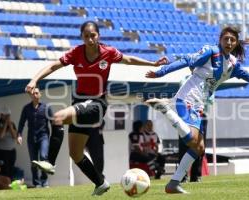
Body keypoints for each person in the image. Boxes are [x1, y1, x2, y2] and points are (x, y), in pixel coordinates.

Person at [26, 21, 168, 196]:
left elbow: (128, 59)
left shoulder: (108, 52)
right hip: (79, 102)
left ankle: (49, 162)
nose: (90, 39)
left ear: (98, 35)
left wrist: (152, 64)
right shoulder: (76, 52)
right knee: (76, 153)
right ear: (82, 37)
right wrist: (34, 80)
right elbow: (53, 65)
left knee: (58, 118)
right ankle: (100, 183)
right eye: (86, 36)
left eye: (93, 35)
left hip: (96, 104)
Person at [145, 26, 249, 194]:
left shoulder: (233, 64)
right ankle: (166, 109)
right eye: (226, 39)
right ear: (220, 39)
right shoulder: (211, 51)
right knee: (192, 141)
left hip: (199, 104)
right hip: (187, 97)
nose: (228, 42)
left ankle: (173, 183)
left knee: (198, 148)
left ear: (235, 43)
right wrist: (161, 72)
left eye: (232, 40)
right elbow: (186, 60)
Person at [17, 88, 56, 188]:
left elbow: (53, 122)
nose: (34, 95)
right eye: (33, 93)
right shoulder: (26, 108)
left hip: (43, 137)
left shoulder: (46, 107)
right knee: (34, 161)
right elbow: (21, 123)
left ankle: (44, 180)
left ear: (40, 94)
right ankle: (37, 183)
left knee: (43, 157)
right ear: (31, 95)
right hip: (31, 138)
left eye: (36, 93)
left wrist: (55, 136)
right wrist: (19, 135)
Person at [0, 106, 17, 180]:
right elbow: (0, 136)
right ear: (1, 115)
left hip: (11, 152)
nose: (7, 117)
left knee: (10, 171)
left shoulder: (12, 124)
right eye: (6, 115)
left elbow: (15, 136)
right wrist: (5, 125)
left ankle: (9, 186)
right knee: (3, 171)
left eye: (8, 115)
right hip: (1, 152)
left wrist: (9, 125)